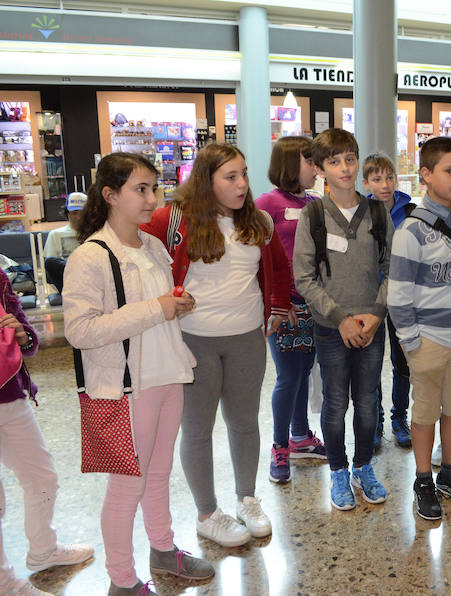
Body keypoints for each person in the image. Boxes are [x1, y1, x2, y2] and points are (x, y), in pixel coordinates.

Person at [64, 153, 212, 596]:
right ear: (110, 196)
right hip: (130, 387)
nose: (152, 199)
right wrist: (158, 308)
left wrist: (175, 305)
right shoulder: (90, 256)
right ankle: (122, 580)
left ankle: (163, 549)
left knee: (159, 472)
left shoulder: (152, 246)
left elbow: (157, 309)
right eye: (140, 190)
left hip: (168, 374)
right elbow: (81, 330)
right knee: (128, 485)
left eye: (154, 188)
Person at [142, 143, 292, 547]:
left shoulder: (258, 220)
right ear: (207, 181)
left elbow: (278, 267)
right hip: (193, 341)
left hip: (246, 339)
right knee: (197, 429)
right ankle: (207, 513)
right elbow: (136, 254)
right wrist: (161, 300)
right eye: (231, 177)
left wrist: (278, 306)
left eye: (244, 174)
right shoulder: (173, 218)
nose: (242, 184)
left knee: (244, 422)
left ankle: (247, 498)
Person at [387, 136, 451, 521]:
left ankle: (450, 472)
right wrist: (411, 343)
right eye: (449, 171)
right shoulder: (410, 230)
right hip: (428, 339)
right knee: (426, 410)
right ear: (426, 175)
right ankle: (423, 479)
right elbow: (398, 294)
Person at [293, 129, 392, 511]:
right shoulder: (313, 214)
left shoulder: (378, 212)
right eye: (334, 162)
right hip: (331, 328)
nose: (345, 168)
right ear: (320, 169)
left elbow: (394, 269)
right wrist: (340, 319)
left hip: (371, 326)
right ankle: (338, 470)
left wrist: (376, 313)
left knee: (368, 402)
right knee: (335, 403)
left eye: (350, 159)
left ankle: (363, 466)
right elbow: (304, 277)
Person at [1, 269, 94, 596]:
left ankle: (43, 550)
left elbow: (27, 339)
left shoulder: (0, 279)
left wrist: (21, 334)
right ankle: (5, 584)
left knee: (42, 477)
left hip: (10, 395)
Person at [256, 136, 327, 485]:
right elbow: (258, 259)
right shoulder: (266, 205)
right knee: (288, 376)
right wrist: (277, 302)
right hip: (284, 306)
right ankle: (280, 447)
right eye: (309, 161)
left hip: (314, 302)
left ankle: (300, 436)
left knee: (304, 372)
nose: (316, 168)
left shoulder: (316, 202)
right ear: (289, 163)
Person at [362, 152, 414, 449]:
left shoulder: (410, 211)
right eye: (377, 179)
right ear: (366, 182)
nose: (385, 185)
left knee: (402, 361)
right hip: (370, 298)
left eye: (389, 178)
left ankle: (399, 417)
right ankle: (376, 419)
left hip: (403, 297)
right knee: (371, 363)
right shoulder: (360, 213)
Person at [43, 191, 86, 293]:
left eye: (82, 213)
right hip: (68, 280)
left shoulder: (97, 233)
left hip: (90, 276)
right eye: (75, 213)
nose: (78, 217)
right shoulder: (55, 234)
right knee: (50, 262)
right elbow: (50, 266)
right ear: (67, 213)